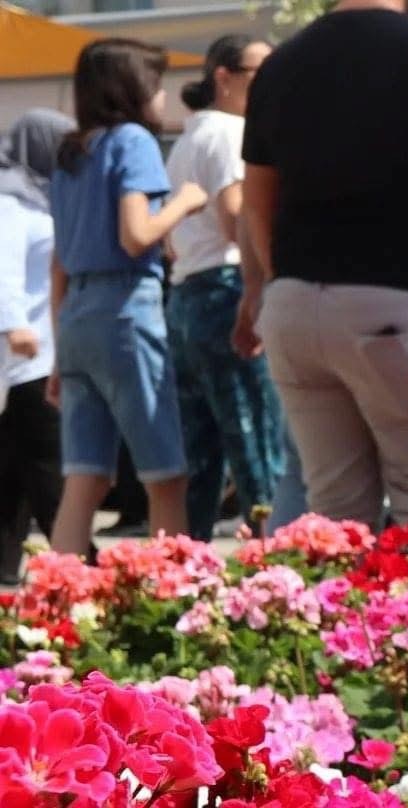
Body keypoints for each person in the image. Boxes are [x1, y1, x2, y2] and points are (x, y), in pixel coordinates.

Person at [243, 0, 408, 540]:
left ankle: (330, 624)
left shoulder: (279, 65)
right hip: (404, 302)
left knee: (335, 522)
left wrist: (290, 279)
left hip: (296, 305)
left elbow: (257, 201)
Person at [48, 39, 208, 556]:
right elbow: (136, 235)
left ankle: (58, 597)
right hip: (125, 311)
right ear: (134, 90)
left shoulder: (72, 152)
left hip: (76, 317)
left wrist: (58, 355)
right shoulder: (133, 141)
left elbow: (59, 263)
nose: (164, 98)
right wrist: (185, 201)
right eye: (157, 86)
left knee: (85, 478)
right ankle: (172, 599)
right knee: (166, 475)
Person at [165, 34, 284, 540]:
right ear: (225, 76)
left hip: (188, 294)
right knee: (256, 441)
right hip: (229, 288)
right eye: (263, 71)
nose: (273, 81)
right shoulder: (232, 132)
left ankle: (185, 569)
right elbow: (240, 214)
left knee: (201, 453)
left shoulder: (188, 138)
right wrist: (266, 281)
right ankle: (276, 566)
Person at [0, 109, 73, 581]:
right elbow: (2, 270)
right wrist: (13, 327)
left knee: (12, 476)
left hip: (41, 356)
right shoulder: (10, 202)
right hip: (29, 356)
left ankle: (5, 571)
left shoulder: (40, 200)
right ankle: (80, 566)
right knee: (50, 472)